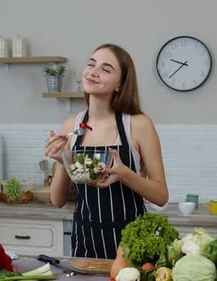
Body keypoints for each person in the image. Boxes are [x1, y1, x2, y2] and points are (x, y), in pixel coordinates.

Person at [43, 43, 168, 259]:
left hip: (133, 245)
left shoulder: (138, 125)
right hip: (85, 244)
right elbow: (58, 200)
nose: (94, 71)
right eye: (91, 64)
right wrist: (64, 161)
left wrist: (125, 174)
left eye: (106, 69)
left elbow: (161, 196)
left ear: (120, 84)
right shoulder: (71, 126)